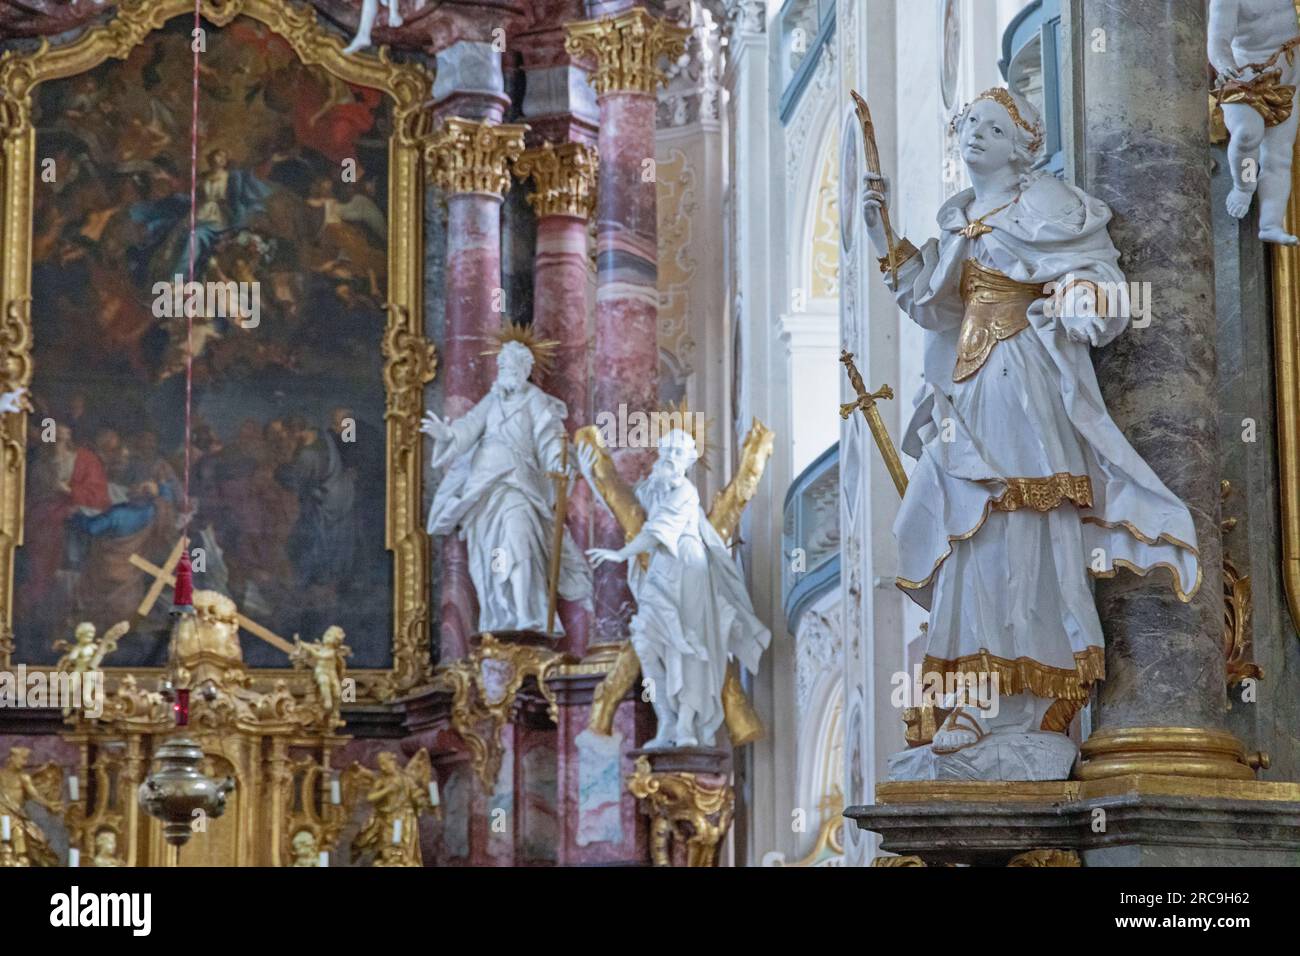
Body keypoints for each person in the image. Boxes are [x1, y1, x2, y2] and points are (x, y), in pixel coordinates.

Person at [861, 87, 1199, 779]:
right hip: (967, 385)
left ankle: (1031, 696)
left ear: (1024, 147)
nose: (974, 135)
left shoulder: (1052, 206)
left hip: (1023, 378)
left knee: (1022, 526)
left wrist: (1079, 300)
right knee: (963, 534)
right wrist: (880, 237)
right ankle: (974, 697)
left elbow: (1099, 280)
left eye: (992, 127)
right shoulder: (958, 220)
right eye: (968, 126)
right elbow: (932, 306)